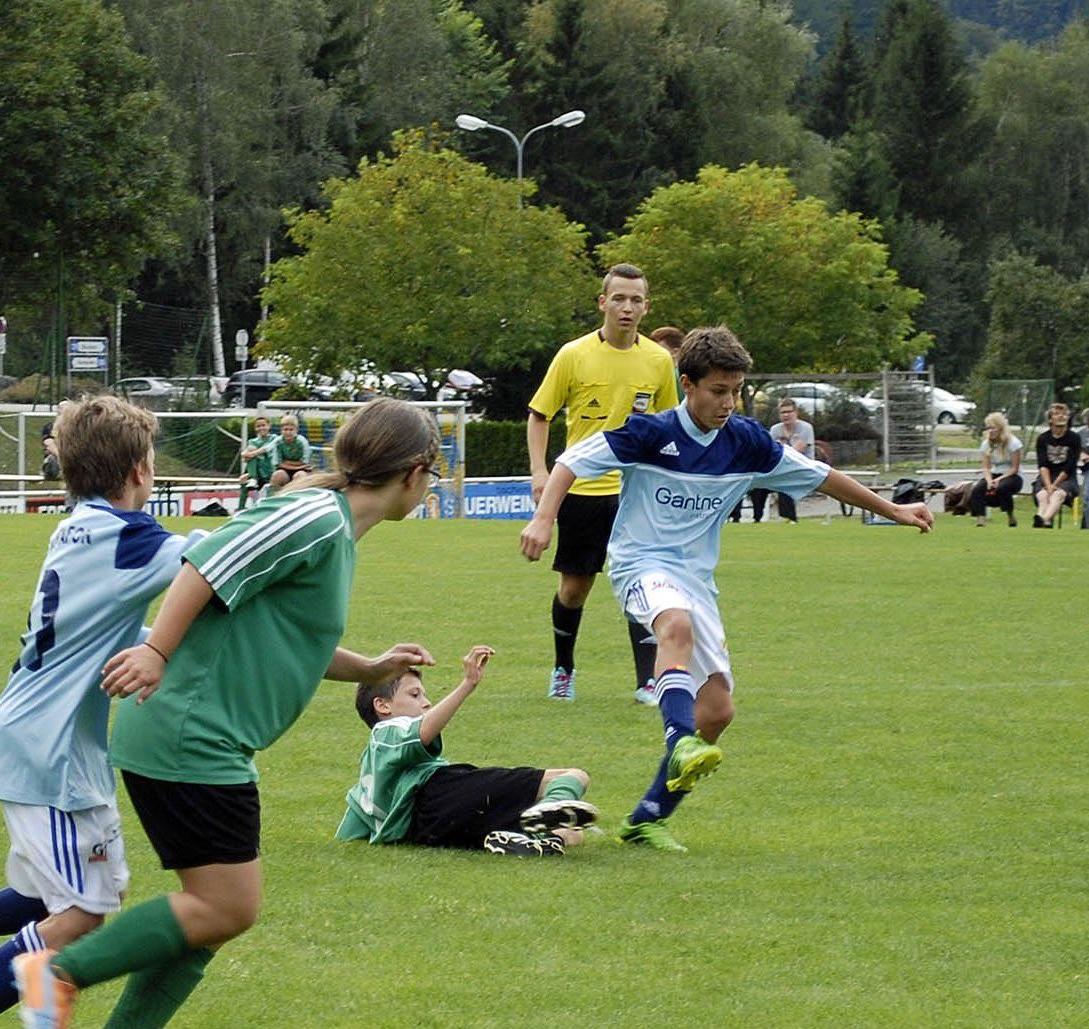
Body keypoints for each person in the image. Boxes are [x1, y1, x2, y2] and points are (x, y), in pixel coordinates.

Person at [11, 398, 440, 1029]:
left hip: (202, 737)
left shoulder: (329, 527)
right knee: (225, 905)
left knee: (212, 911)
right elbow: (205, 568)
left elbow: (277, 631)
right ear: (416, 473)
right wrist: (154, 649)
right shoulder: (311, 518)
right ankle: (56, 972)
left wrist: (366, 669)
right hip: (189, 734)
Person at [519, 326, 933, 852]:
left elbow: (821, 475)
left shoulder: (747, 442)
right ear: (686, 383)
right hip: (639, 562)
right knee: (674, 625)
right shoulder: (648, 433)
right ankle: (676, 738)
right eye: (718, 390)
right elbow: (570, 462)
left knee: (716, 713)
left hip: (696, 578)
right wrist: (543, 519)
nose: (728, 402)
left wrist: (892, 509)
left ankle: (648, 816)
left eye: (735, 391)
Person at [0, 395, 203, 1029]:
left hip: (40, 734)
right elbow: (225, 559)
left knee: (55, 890)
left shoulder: (84, 527)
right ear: (140, 469)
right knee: (84, 910)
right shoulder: (132, 539)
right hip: (51, 747)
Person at [528, 264, 680, 705]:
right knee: (575, 588)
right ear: (603, 302)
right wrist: (540, 471)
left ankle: (648, 680)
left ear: (646, 307)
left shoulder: (657, 361)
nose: (627, 307)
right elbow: (540, 415)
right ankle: (563, 669)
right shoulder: (573, 355)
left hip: (636, 494)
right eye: (619, 298)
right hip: (582, 491)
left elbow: (670, 426)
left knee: (644, 583)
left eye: (636, 300)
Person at [335, 645, 597, 857]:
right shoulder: (386, 732)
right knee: (573, 775)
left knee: (573, 833)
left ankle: (535, 840)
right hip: (438, 794)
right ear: (382, 706)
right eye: (415, 695)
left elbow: (354, 823)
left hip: (430, 832)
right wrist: (467, 684)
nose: (426, 703)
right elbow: (423, 732)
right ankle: (548, 811)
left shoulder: (368, 779)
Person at [748, 399, 814, 523]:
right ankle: (757, 519)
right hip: (780, 468)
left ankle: (789, 519)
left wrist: (781, 447)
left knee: (785, 484)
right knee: (756, 486)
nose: (786, 415)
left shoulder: (805, 428)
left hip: (802, 469)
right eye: (783, 412)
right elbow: (769, 452)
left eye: (789, 412)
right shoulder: (775, 429)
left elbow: (795, 453)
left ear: (796, 413)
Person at [1030, 403, 1081, 528]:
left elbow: (1070, 466)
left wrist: (1054, 486)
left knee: (1058, 494)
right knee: (1042, 495)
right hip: (1047, 476)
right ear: (1050, 419)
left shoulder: (1074, 438)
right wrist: (1048, 485)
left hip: (1067, 478)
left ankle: (1044, 519)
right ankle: (1043, 521)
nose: (1061, 416)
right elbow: (1042, 465)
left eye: (1064, 414)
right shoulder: (1042, 439)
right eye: (1057, 414)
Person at [969, 412, 1024, 527]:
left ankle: (1010, 516)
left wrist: (999, 479)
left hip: (1012, 476)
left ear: (1000, 428)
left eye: (993, 427)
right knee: (978, 489)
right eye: (988, 428)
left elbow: (1015, 468)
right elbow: (986, 467)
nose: (990, 430)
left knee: (1003, 487)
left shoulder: (1013, 443)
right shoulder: (986, 444)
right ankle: (981, 521)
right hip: (994, 473)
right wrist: (989, 481)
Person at [236, 413, 277, 510]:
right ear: (255, 428)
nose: (261, 428)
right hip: (257, 471)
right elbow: (244, 455)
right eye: (258, 426)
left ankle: (253, 479)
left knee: (253, 454)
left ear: (269, 426)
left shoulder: (274, 438)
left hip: (269, 471)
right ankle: (240, 509)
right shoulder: (252, 441)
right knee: (244, 481)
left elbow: (265, 449)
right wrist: (249, 454)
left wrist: (252, 454)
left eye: (263, 425)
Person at [268, 413, 311, 490]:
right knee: (277, 475)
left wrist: (287, 462)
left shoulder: (302, 442)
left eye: (291, 429)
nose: (288, 432)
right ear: (281, 430)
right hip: (284, 470)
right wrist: (295, 464)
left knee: (300, 476)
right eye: (285, 429)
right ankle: (274, 498)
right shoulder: (278, 442)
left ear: (296, 430)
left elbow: (305, 463)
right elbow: (278, 463)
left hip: (301, 470)